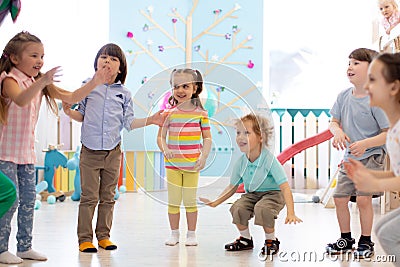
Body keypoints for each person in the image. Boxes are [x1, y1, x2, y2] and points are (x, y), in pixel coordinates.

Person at [0, 31, 112, 264]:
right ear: (14, 58)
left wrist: (95, 81)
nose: (40, 60)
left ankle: (24, 246)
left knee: (29, 200)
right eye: (34, 55)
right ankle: (1, 248)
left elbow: (71, 95)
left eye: (42, 55)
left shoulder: (36, 82)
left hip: (26, 154)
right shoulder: (8, 79)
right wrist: (42, 81)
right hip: (4, 153)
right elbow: (20, 100)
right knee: (10, 201)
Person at [62, 43, 163, 253]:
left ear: (120, 69)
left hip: (113, 151)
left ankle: (104, 236)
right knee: (89, 197)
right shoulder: (87, 86)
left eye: (113, 59)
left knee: (108, 197)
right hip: (89, 150)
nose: (107, 61)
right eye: (104, 57)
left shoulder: (124, 93)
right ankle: (84, 239)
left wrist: (152, 120)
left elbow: (129, 123)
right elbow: (81, 114)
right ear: (97, 62)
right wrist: (69, 113)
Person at [199, 113, 302, 257]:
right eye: (238, 133)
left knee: (263, 208)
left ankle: (271, 241)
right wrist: (215, 202)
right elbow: (232, 187)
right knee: (237, 208)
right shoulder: (241, 162)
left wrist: (291, 212)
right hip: (252, 194)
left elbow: (284, 187)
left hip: (273, 194)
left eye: (246, 133)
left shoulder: (269, 160)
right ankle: (245, 240)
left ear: (261, 138)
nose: (240, 137)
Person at [326, 48, 389, 259]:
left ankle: (365, 240)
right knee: (340, 199)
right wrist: (337, 132)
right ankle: (345, 239)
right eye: (349, 63)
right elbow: (333, 121)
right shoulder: (343, 96)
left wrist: (366, 144)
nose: (350, 67)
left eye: (356, 63)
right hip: (350, 158)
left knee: (363, 200)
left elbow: (388, 133)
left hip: (371, 157)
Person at [344, 52, 400, 265]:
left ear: (393, 88)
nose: (367, 86)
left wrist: (376, 182)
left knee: (388, 234)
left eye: (373, 80)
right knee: (381, 230)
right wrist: (372, 175)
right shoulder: (394, 130)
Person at [157, 68, 212, 246]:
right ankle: (174, 234)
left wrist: (203, 157)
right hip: (172, 165)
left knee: (189, 201)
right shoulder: (168, 113)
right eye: (176, 86)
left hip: (192, 166)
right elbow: (160, 137)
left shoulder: (201, 114)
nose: (180, 90)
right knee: (173, 201)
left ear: (195, 88)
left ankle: (191, 234)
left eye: (185, 86)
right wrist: (165, 148)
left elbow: (208, 138)